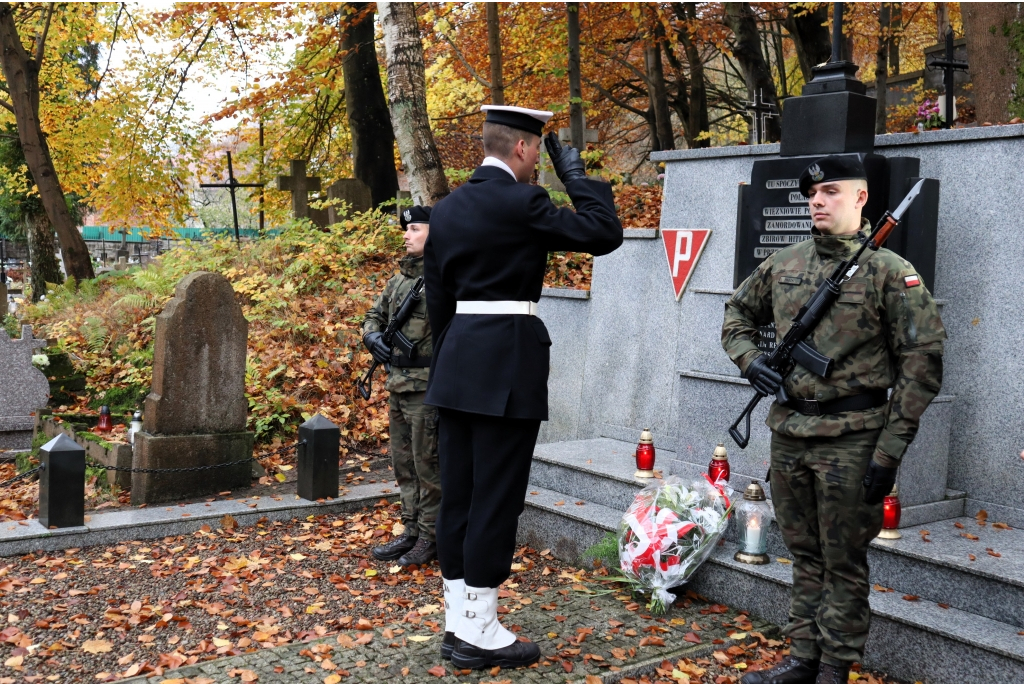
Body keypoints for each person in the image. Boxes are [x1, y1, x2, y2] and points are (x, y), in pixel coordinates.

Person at [722, 155, 945, 684]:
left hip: (853, 438)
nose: (817, 201)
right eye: (812, 194)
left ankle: (834, 667)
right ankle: (802, 659)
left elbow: (923, 363)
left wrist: (890, 451)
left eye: (831, 192)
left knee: (842, 560)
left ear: (861, 198)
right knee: (802, 553)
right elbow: (736, 315)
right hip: (790, 433)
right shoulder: (785, 262)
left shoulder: (891, 273)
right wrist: (752, 362)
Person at [424, 105, 623, 669]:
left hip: (458, 359)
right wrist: (577, 178)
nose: (540, 159)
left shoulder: (447, 209)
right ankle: (479, 631)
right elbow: (603, 233)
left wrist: (450, 363)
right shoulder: (525, 201)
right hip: (507, 361)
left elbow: (438, 299)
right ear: (522, 149)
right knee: (497, 496)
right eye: (539, 151)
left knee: (460, 493)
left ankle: (457, 618)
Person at [362, 205, 440, 568]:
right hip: (397, 384)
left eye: (415, 229)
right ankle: (411, 529)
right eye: (405, 230)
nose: (406, 235)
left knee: (429, 466)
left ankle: (430, 536)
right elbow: (373, 315)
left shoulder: (442, 278)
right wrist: (372, 336)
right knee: (403, 464)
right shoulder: (398, 280)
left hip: (427, 387)